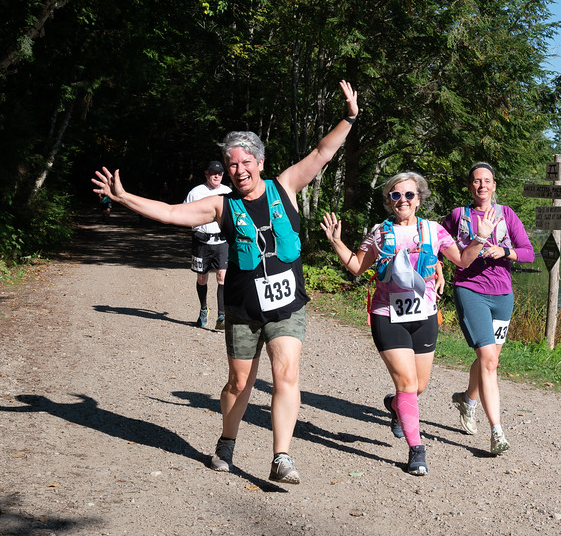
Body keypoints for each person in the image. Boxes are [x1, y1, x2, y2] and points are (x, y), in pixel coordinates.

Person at [92, 80, 360, 484]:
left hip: (287, 305)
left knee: (286, 373)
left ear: (260, 162)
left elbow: (323, 153)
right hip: (243, 307)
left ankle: (281, 456)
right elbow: (169, 213)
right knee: (239, 383)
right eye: (231, 164)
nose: (238, 170)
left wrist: (350, 117)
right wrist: (125, 198)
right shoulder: (221, 205)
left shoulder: (285, 185)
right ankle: (227, 440)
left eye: (244, 162)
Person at [319, 172, 495, 476]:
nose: (403, 200)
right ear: (389, 200)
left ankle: (396, 405)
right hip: (388, 314)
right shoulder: (379, 232)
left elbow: (463, 261)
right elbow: (357, 267)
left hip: (424, 315)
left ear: (419, 199)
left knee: (419, 386)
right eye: (396, 195)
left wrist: (481, 237)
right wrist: (336, 242)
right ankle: (417, 449)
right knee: (408, 384)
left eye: (409, 195)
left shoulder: (435, 231)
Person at [441, 162, 534, 456]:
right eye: (476, 181)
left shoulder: (506, 215)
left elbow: (529, 253)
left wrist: (504, 251)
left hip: (503, 295)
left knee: (490, 359)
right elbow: (436, 243)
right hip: (470, 291)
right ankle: (497, 432)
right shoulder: (459, 216)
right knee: (488, 360)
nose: (482, 185)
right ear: (470, 187)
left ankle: (467, 399)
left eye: (487, 181)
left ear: (494, 186)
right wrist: (435, 269)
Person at [185, 161, 232, 330]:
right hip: (201, 242)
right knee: (202, 278)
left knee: (222, 277)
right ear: (206, 174)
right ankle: (204, 308)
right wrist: (193, 226)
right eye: (213, 173)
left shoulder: (227, 192)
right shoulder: (196, 192)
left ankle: (222, 315)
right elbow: (184, 212)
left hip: (221, 242)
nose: (216, 176)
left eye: (219, 173)